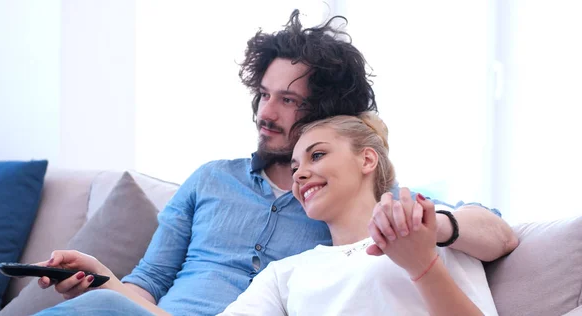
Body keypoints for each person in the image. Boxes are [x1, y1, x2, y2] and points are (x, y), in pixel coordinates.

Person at [33, 10, 517, 316]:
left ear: (327, 113)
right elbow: (148, 287)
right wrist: (104, 279)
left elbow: (497, 232)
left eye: (287, 100)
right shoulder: (210, 180)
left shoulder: (368, 211)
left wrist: (431, 228)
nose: (265, 112)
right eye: (263, 95)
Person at [219, 113, 498, 315]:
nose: (300, 175)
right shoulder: (283, 274)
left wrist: (422, 261)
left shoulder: (432, 226)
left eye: (317, 155)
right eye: (294, 169)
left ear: (366, 159)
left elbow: (502, 236)